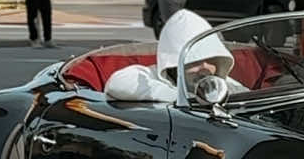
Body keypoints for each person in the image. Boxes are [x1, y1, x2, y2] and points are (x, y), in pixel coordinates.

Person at [105, 8, 245, 103]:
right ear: (173, 62)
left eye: (211, 59)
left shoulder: (220, 85)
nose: (205, 68)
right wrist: (183, 98)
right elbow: (117, 83)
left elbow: (245, 95)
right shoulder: (149, 76)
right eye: (195, 60)